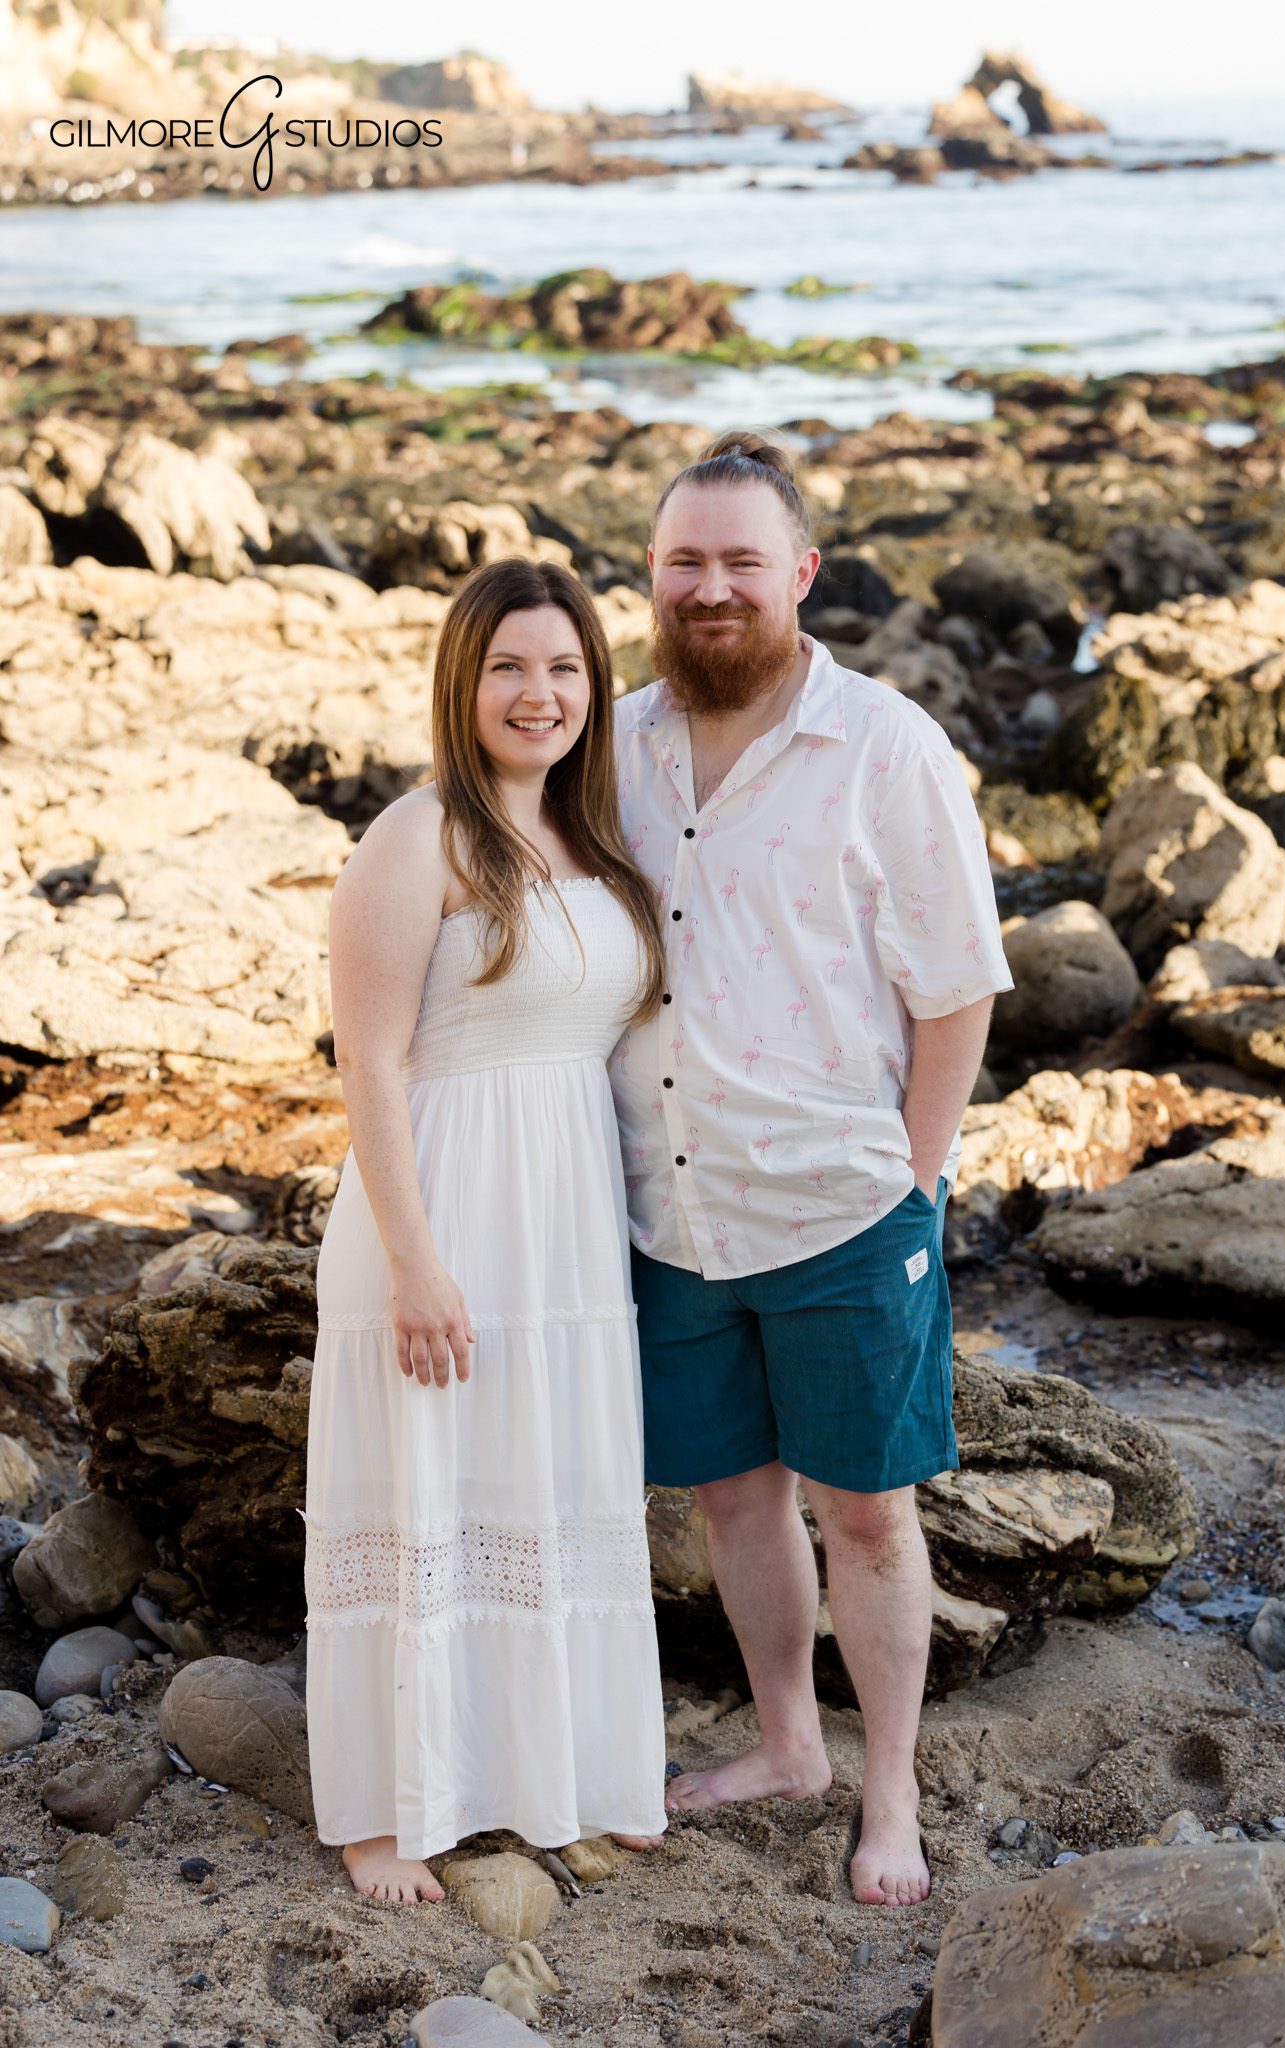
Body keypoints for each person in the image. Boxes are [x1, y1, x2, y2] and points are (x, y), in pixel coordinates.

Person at [610, 432, 1013, 1908]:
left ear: (801, 575)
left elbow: (957, 985)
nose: (708, 587)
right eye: (682, 561)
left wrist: (916, 1181)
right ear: (651, 575)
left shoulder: (884, 744)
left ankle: (886, 1789)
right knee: (728, 1499)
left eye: (737, 562)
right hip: (670, 1202)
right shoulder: (615, 740)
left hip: (841, 1205)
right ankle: (788, 1746)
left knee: (864, 1513)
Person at [305, 557, 670, 1905]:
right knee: (424, 1499)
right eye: (511, 666)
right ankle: (381, 1810)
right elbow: (371, 1067)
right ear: (463, 682)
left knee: (546, 1485)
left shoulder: (597, 840)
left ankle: (549, 1771)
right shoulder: (418, 839)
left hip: (567, 1224)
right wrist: (413, 1261)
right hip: (444, 1210)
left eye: (565, 668)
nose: (539, 693)